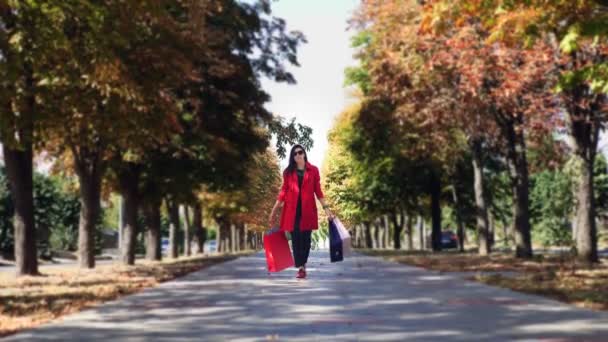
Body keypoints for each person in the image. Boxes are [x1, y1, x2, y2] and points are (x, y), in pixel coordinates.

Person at [269, 144, 334, 279]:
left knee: (306, 240)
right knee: (296, 239)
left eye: (300, 152)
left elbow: (318, 192)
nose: (298, 155)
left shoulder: (313, 170)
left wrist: (327, 210)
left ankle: (302, 264)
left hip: (308, 211)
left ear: (304, 154)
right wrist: (273, 211)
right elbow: (283, 193)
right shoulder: (288, 172)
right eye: (295, 154)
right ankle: (301, 267)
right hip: (292, 213)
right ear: (292, 157)